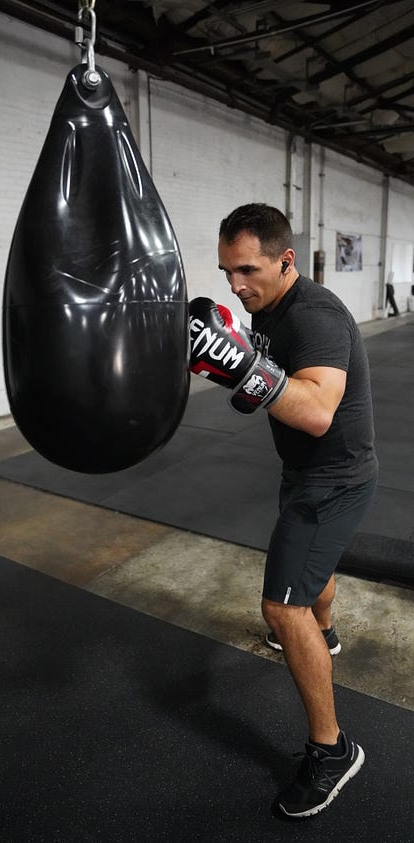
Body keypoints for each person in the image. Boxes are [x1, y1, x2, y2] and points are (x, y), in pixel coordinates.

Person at [189, 203, 378, 819]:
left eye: (247, 270)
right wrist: (242, 359)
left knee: (282, 603)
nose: (236, 285)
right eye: (226, 272)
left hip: (333, 480)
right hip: (305, 473)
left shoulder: (315, 315)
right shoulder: (265, 308)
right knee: (309, 575)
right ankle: (325, 638)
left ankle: (332, 750)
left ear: (285, 260)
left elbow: (318, 410)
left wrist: (241, 364)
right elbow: (270, 386)